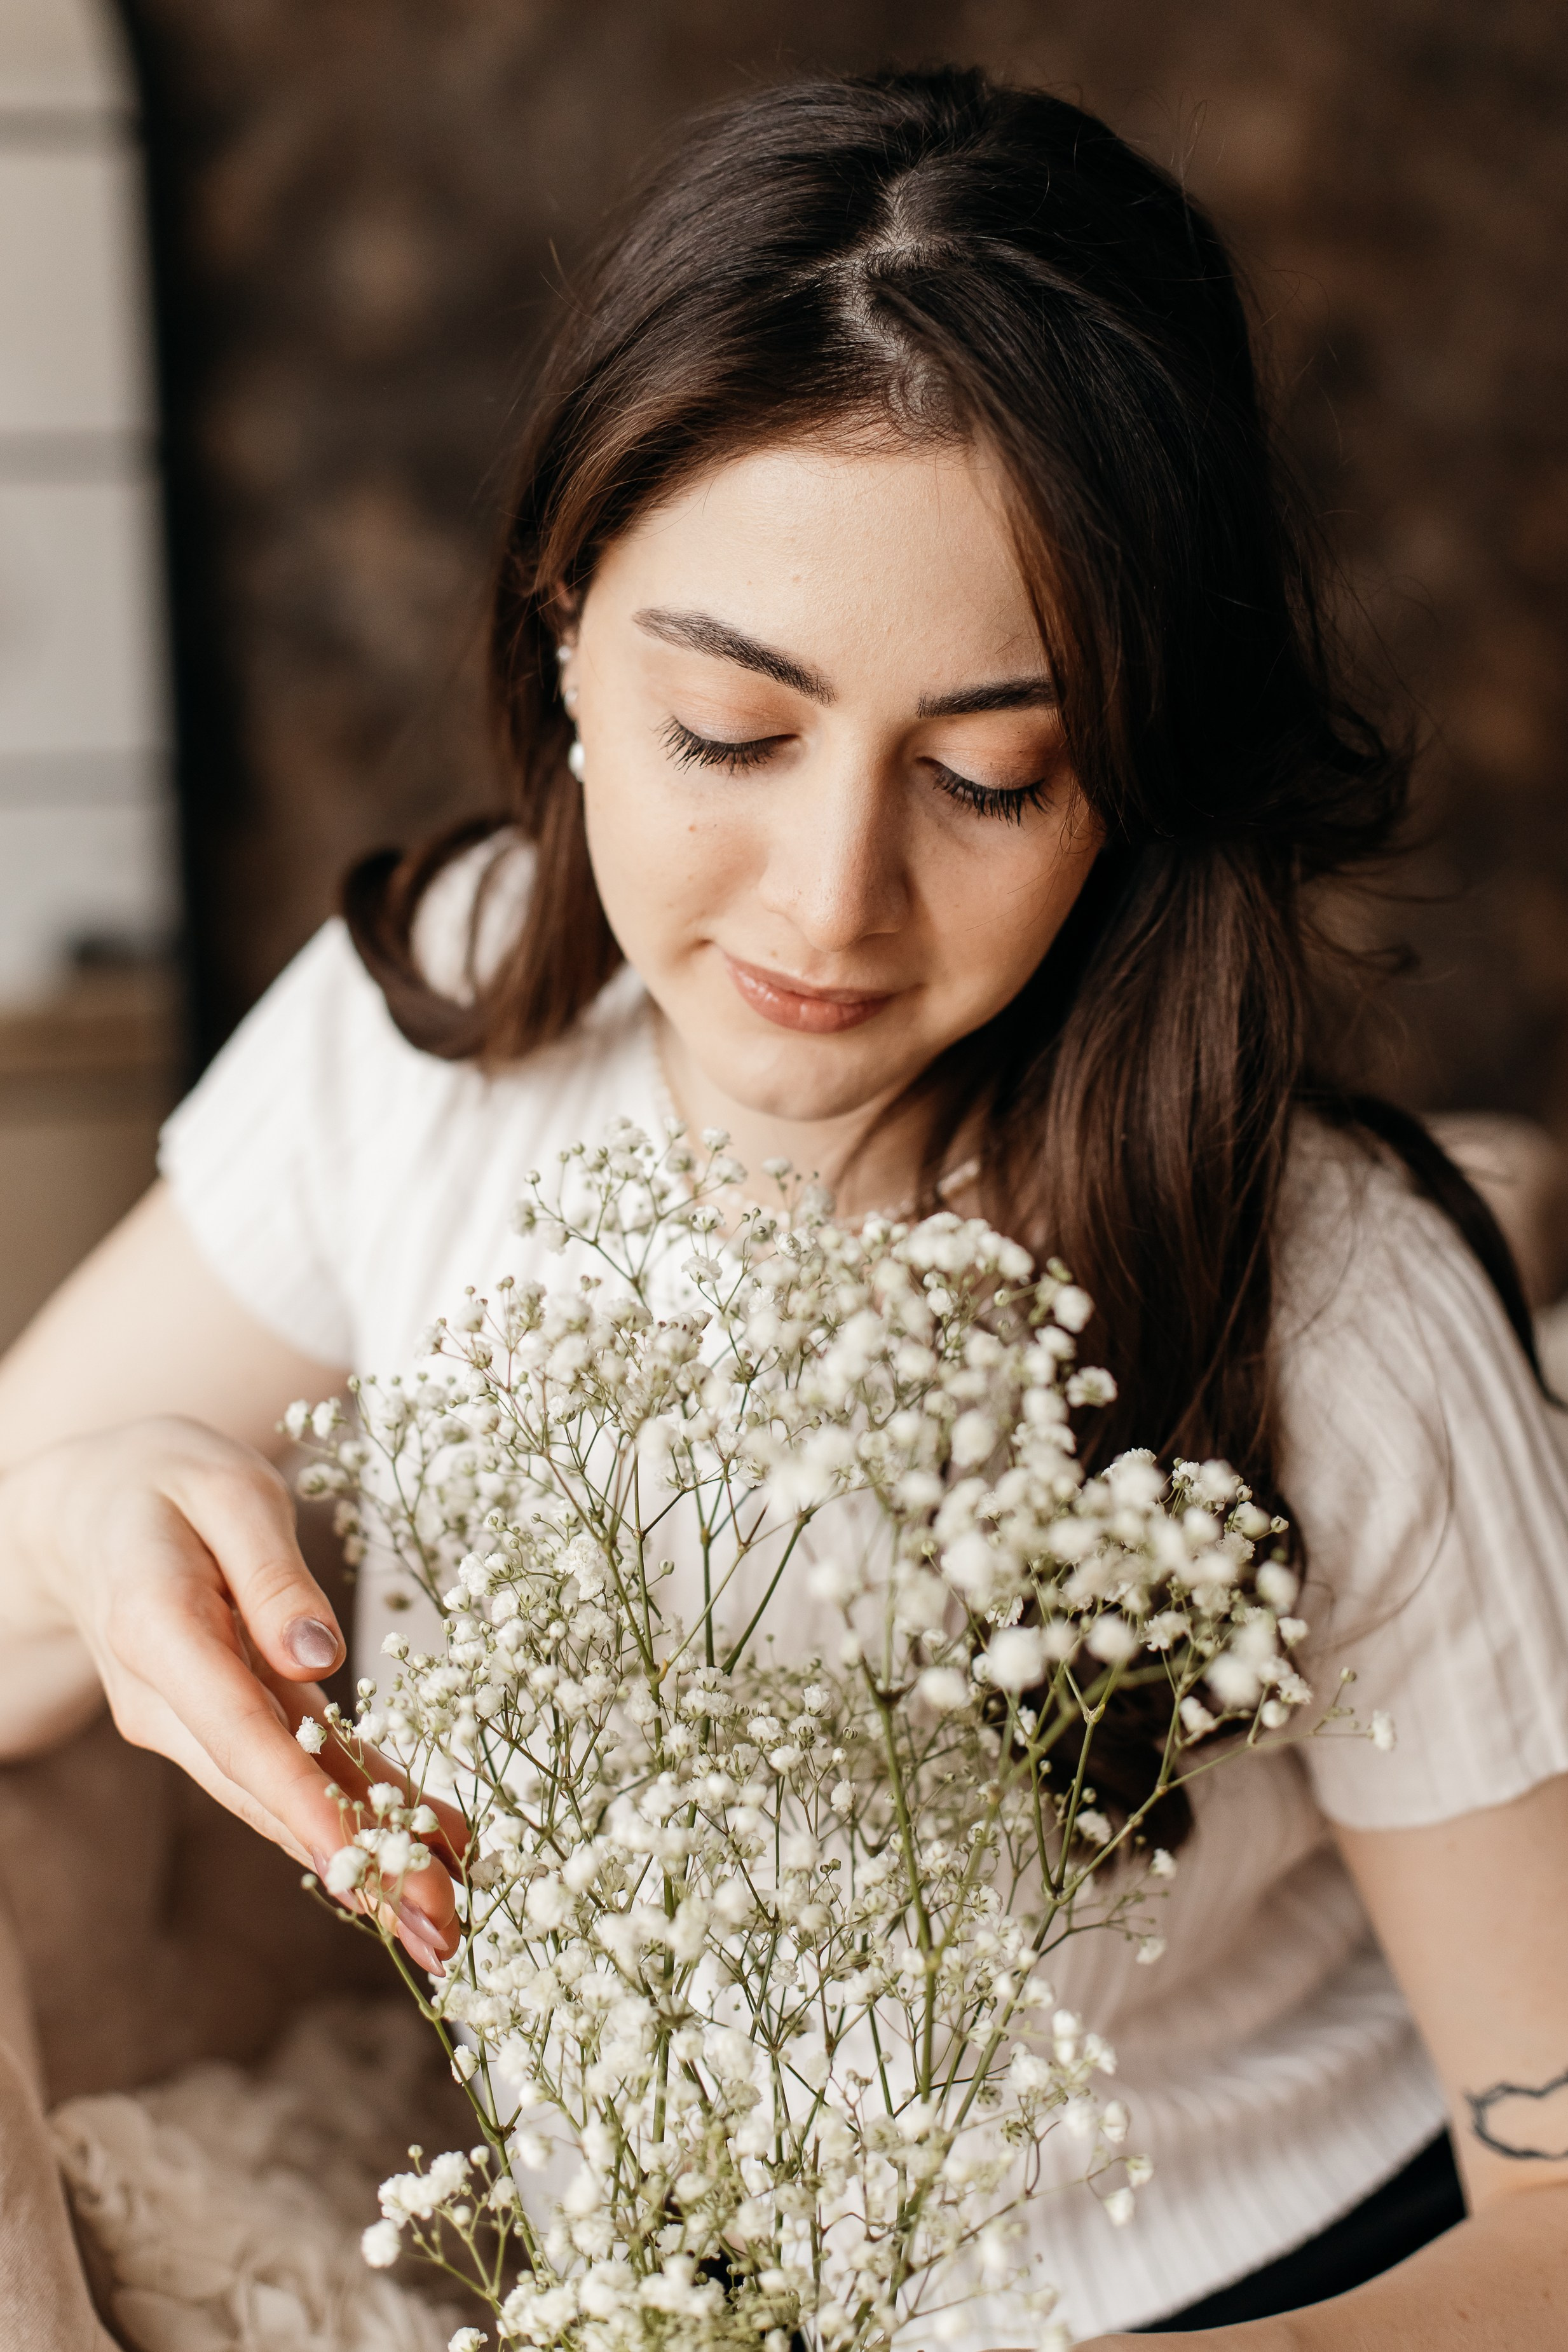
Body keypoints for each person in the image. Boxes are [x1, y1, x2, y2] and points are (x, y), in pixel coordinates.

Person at [2, 64, 1566, 2348]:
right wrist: (92, 1513)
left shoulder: (1332, 1310)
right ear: (562, 629)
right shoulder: (428, 1049)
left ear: (1130, 784)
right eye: (729, 732)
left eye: (985, 775)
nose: (830, 901)